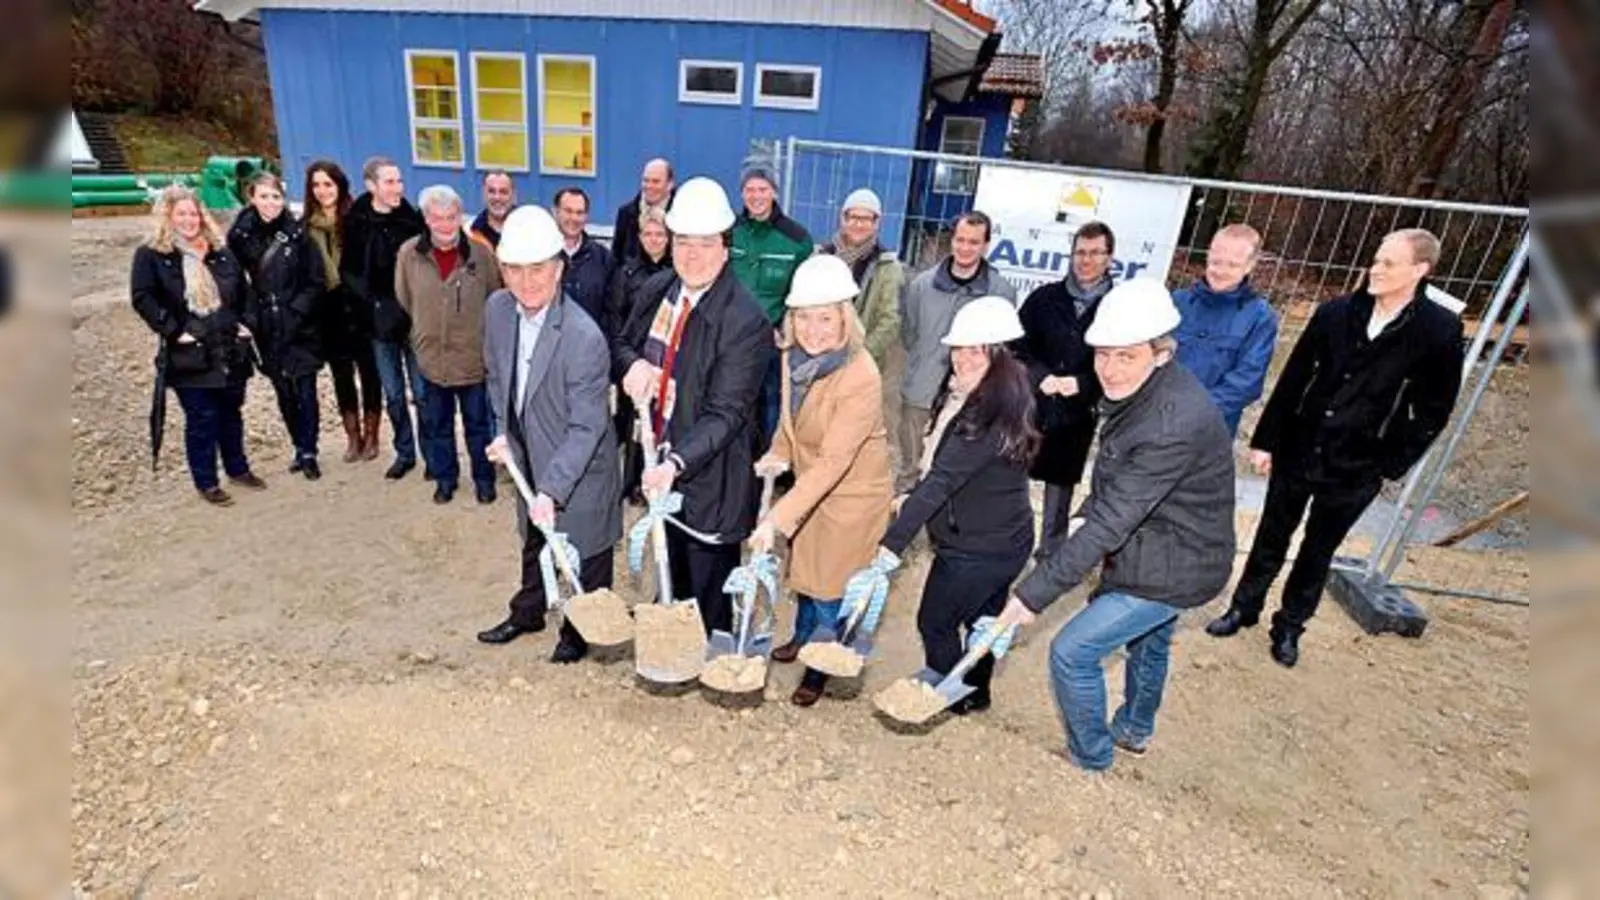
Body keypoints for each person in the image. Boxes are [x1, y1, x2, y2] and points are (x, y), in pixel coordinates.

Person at [993, 278, 1236, 772]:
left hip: (1175, 562)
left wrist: (1029, 596)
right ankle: (1134, 729)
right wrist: (1090, 507)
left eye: (1126, 356)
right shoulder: (1147, 392)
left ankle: (1090, 757)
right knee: (1149, 641)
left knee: (1071, 652)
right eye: (1102, 355)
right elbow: (1120, 482)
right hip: (1166, 543)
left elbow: (1110, 522)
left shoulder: (1172, 422)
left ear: (1161, 353)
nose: (1109, 369)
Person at [1207, 228, 1464, 666]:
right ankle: (1243, 608)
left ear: (1420, 270)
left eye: (1388, 263)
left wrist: (1389, 461)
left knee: (1318, 548)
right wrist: (1267, 440)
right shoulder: (1336, 313)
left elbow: (1434, 408)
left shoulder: (1438, 330)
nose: (1375, 269)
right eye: (1376, 259)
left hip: (1358, 464)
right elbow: (1295, 377)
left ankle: (1289, 627)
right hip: (1301, 446)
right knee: (1272, 533)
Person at [612, 176, 773, 637]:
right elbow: (621, 341)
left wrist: (677, 462)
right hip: (658, 457)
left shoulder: (745, 321)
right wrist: (633, 365)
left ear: (727, 247)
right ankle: (674, 647)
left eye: (705, 243)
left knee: (707, 586)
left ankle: (710, 664)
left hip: (712, 479)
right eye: (683, 242)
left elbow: (727, 413)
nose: (692, 254)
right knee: (670, 570)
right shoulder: (658, 290)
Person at [873, 296, 1038, 714]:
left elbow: (942, 480)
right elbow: (957, 473)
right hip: (1005, 536)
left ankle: (950, 691)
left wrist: (889, 547)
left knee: (936, 621)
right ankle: (976, 691)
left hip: (977, 548)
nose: (963, 358)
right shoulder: (995, 394)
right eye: (959, 348)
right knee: (985, 621)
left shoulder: (987, 414)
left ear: (999, 355)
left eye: (976, 350)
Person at [749, 255, 894, 707]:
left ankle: (818, 666)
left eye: (825, 318)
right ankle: (802, 635)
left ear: (845, 319)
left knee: (831, 586)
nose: (814, 329)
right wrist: (778, 451)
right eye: (804, 318)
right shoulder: (795, 355)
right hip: (812, 486)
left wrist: (775, 519)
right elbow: (789, 421)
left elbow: (835, 461)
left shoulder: (860, 375)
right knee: (805, 575)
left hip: (851, 497)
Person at [479, 206, 622, 661]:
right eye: (515, 269)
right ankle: (528, 612)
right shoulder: (498, 310)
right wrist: (503, 433)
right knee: (534, 541)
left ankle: (579, 632)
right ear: (502, 270)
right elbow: (497, 378)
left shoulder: (583, 337)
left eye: (538, 268)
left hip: (579, 468)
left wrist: (553, 489)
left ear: (558, 269)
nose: (527, 281)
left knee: (586, 550)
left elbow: (587, 425)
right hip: (530, 455)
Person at [131, 185, 266, 505]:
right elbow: (142, 298)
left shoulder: (220, 250)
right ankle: (206, 480)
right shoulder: (153, 254)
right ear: (168, 217)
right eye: (182, 214)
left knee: (231, 413)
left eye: (193, 213)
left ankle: (237, 467)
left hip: (229, 347)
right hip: (190, 353)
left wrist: (247, 323)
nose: (189, 220)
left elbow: (244, 292)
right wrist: (174, 331)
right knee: (202, 418)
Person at [1010, 220, 1114, 561]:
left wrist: (1083, 384)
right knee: (1012, 479)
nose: (1086, 260)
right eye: (1080, 252)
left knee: (1060, 489)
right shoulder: (1044, 299)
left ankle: (1049, 556)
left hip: (1078, 416)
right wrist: (1039, 376)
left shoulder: (1117, 307)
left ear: (1109, 258)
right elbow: (1017, 347)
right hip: (1031, 409)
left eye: (1095, 253)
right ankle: (1009, 542)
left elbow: (1125, 362)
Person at [396, 185, 504, 505]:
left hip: (472, 359)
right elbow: (405, 297)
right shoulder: (409, 254)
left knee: (478, 426)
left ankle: (484, 479)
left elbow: (495, 298)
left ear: (460, 217)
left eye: (452, 217)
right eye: (438, 218)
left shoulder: (480, 255)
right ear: (426, 219)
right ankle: (445, 479)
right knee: (438, 425)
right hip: (432, 360)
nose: (445, 224)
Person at [896, 211, 1017, 493]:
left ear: (986, 246)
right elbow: (910, 332)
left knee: (954, 473)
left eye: (974, 242)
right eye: (960, 240)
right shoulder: (922, 285)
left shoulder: (1001, 292)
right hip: (921, 393)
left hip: (972, 401)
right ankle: (903, 528)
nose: (965, 248)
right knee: (909, 469)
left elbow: (1002, 350)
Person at [226, 172, 327, 479]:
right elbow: (234, 283)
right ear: (252, 198)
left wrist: (298, 311)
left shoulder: (298, 233)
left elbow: (315, 279)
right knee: (283, 390)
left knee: (307, 388)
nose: (271, 203)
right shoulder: (239, 237)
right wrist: (248, 318)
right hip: (266, 325)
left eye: (276, 197)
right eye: (264, 196)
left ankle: (310, 450)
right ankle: (298, 444)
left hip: (300, 323)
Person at [341, 156, 426, 480]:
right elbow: (350, 272)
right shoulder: (357, 221)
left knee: (422, 392)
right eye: (390, 182)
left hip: (412, 320)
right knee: (393, 394)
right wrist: (370, 306)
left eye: (400, 181)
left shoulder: (411, 219)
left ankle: (432, 453)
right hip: (378, 323)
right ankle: (405, 453)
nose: (398, 188)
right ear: (371, 185)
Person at [302, 160, 383, 464]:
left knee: (369, 372)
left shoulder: (356, 218)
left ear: (340, 186)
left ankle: (373, 432)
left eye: (328, 184)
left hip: (359, 306)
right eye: (317, 185)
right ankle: (353, 435)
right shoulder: (307, 226)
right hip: (328, 307)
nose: (323, 191)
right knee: (341, 375)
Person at [731, 160, 812, 443]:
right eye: (749, 189)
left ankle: (769, 458)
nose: (756, 196)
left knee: (771, 400)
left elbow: (801, 294)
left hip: (773, 337)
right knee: (733, 394)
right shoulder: (730, 233)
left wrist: (787, 328)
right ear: (742, 194)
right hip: (733, 334)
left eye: (762, 188)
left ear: (774, 192)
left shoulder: (797, 239)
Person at [1172, 223, 1280, 435]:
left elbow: (1247, 381)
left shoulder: (1260, 317)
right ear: (1207, 256)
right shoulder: (1177, 302)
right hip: (1158, 417)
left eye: (1232, 265)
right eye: (1216, 262)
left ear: (1250, 266)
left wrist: (1196, 413)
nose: (1221, 271)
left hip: (1211, 427)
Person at [604, 206, 673, 506]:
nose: (654, 240)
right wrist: (625, 360)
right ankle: (632, 482)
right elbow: (615, 317)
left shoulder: (677, 274)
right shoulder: (627, 272)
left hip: (667, 359)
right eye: (648, 233)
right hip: (634, 359)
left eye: (660, 234)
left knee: (664, 421)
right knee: (633, 422)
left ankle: (661, 477)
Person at [818, 188, 903, 371]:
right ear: (843, 219)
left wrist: (858, 357)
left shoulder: (886, 267)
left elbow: (889, 321)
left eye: (866, 219)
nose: (858, 224)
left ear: (876, 223)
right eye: (853, 217)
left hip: (860, 362)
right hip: (820, 355)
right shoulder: (822, 258)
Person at [553, 187, 612, 331]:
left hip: (590, 346)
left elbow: (611, 310)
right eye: (568, 211)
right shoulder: (541, 254)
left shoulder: (603, 257)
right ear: (555, 212)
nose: (574, 218)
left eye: (579, 213)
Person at [611, 158, 674, 264]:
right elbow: (616, 259)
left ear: (670, 184)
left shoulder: (683, 216)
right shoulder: (626, 213)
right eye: (646, 180)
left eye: (656, 181)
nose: (649, 186)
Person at [468, 170, 517, 249]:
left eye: (503, 192)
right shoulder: (472, 233)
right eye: (491, 191)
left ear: (514, 195)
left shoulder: (529, 227)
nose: (497, 197)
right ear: (484, 194)